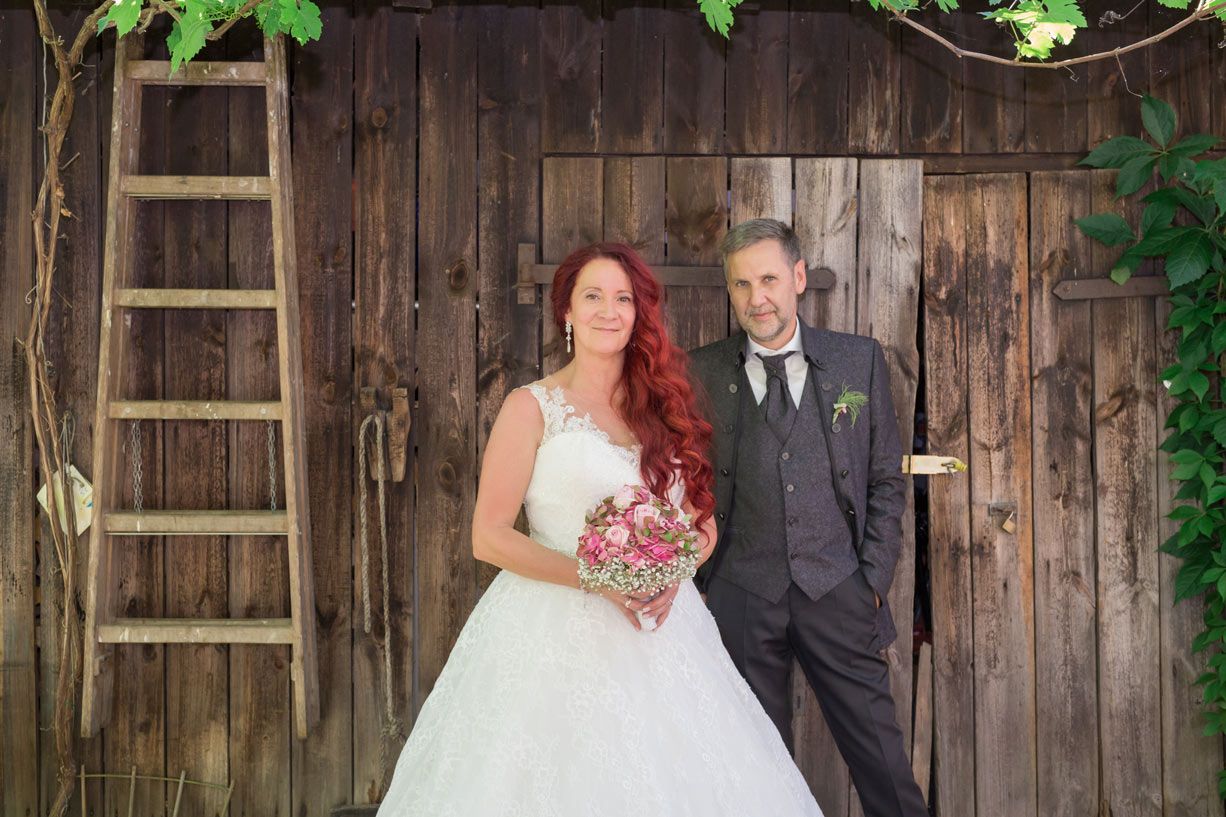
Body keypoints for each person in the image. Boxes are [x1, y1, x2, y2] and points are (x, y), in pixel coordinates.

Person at [376, 242, 823, 816]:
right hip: (548, 632)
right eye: (593, 296)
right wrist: (599, 578)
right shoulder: (530, 407)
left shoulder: (665, 409)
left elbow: (702, 526)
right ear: (566, 311)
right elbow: (488, 537)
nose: (608, 311)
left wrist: (671, 572)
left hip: (662, 630)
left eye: (623, 299)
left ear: (638, 315)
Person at [690, 219, 928, 817]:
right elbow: (682, 480)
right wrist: (706, 583)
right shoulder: (700, 372)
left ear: (798, 278)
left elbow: (883, 479)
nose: (756, 298)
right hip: (741, 592)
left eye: (768, 279)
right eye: (741, 285)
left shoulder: (857, 361)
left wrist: (871, 583)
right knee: (754, 767)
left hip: (838, 588)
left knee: (882, 762)